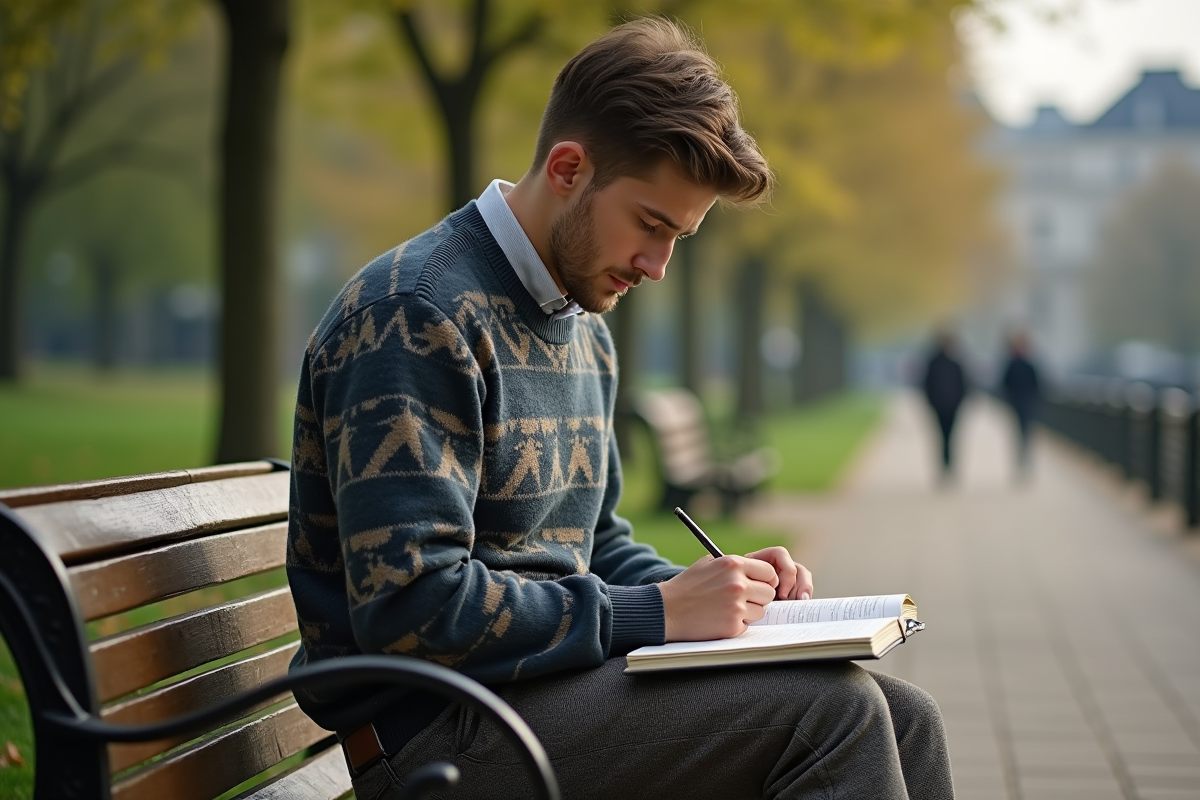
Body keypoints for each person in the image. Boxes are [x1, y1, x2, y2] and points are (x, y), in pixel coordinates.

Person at [286, 18, 954, 800]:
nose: (658, 266)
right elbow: (412, 610)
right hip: (435, 732)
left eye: (680, 238)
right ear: (568, 168)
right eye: (651, 225)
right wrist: (656, 613)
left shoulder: (581, 325)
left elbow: (594, 543)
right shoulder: (416, 315)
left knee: (909, 716)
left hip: (537, 695)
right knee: (832, 715)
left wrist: (727, 597)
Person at [921, 331, 968, 482]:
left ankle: (949, 464)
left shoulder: (955, 363)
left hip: (952, 405)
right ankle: (944, 464)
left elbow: (964, 386)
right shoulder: (934, 363)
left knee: (950, 436)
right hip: (939, 405)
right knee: (942, 436)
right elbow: (926, 385)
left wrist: (960, 401)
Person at [1000, 330, 1041, 477]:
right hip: (1017, 403)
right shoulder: (1013, 364)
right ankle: (1021, 459)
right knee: (1020, 432)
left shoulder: (1028, 364)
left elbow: (1038, 385)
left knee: (1025, 432)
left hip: (1026, 403)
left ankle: (1024, 458)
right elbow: (1005, 384)